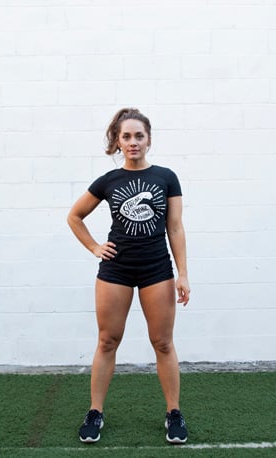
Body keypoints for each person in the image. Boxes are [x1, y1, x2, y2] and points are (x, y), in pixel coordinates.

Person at [67, 107, 191, 444]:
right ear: (117, 142)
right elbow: (75, 216)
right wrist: (94, 247)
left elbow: (175, 228)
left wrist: (182, 274)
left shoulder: (167, 177)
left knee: (162, 343)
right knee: (108, 340)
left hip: (157, 270)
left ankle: (174, 413)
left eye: (139, 136)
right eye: (126, 137)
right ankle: (95, 412)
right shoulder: (108, 181)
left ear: (149, 139)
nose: (133, 142)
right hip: (116, 270)